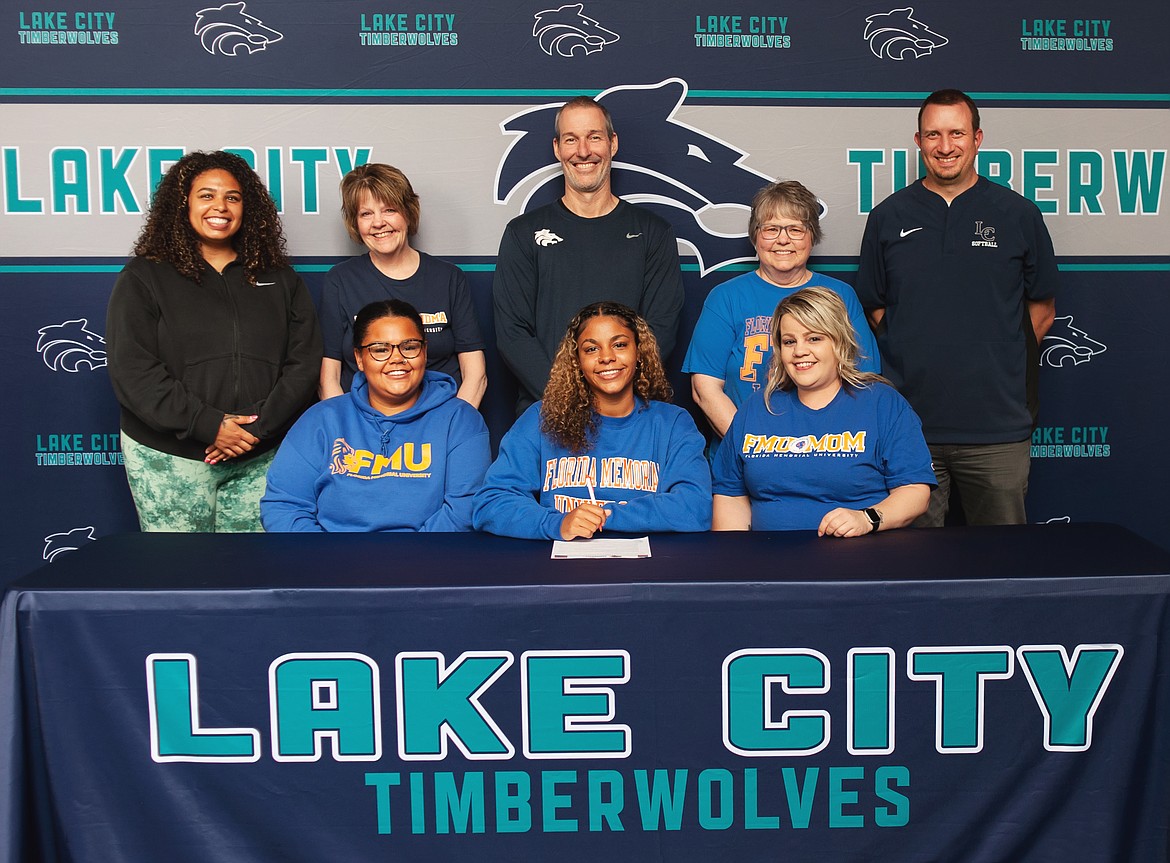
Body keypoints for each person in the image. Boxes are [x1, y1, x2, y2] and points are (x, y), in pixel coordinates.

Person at [854, 89, 1058, 527]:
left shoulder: (1018, 214)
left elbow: (1041, 311)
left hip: (998, 431)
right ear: (918, 140)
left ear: (978, 137)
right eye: (934, 135)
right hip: (910, 430)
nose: (945, 147)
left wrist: (993, 356)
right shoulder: (888, 216)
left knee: (1002, 567)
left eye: (956, 133)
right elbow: (875, 308)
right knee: (914, 570)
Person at [106, 150, 321, 532]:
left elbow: (303, 364)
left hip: (259, 454)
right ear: (182, 203)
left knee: (252, 579)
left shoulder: (281, 279)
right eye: (206, 195)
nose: (220, 206)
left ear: (246, 208)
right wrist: (208, 424)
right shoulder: (145, 276)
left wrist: (255, 428)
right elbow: (133, 369)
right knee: (180, 578)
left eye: (232, 197)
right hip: (171, 458)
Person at [493, 95, 685, 413]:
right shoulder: (524, 232)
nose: (583, 151)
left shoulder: (653, 232)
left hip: (628, 414)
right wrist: (569, 398)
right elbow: (513, 333)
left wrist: (612, 398)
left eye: (594, 137)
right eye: (572, 139)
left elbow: (659, 329)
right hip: (549, 411)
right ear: (557, 148)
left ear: (613, 143)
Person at [474, 301, 710, 540]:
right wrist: (558, 523)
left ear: (639, 352)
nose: (607, 357)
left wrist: (603, 517)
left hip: (647, 570)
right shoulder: (541, 419)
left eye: (619, 344)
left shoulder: (672, 424)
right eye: (591, 349)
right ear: (577, 361)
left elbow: (694, 508)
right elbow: (491, 503)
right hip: (560, 570)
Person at [712, 287, 934, 536]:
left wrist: (866, 518)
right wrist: (735, 565)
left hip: (861, 560)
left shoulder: (882, 403)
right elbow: (730, 495)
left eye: (814, 338)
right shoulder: (756, 407)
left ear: (838, 341)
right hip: (769, 565)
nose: (799, 351)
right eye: (789, 341)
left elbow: (915, 491)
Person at [262, 300, 490, 532]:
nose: (397, 358)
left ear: (424, 351)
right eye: (380, 349)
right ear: (359, 358)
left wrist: (413, 561)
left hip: (427, 561)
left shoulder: (461, 420)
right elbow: (284, 507)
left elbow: (464, 510)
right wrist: (329, 561)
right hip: (331, 561)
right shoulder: (321, 420)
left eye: (409, 347)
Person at [683, 179, 879, 442]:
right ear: (755, 236)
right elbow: (705, 389)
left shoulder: (841, 296)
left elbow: (863, 380)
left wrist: (823, 446)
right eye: (771, 229)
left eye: (795, 229)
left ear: (812, 236)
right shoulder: (726, 298)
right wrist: (753, 450)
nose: (783, 240)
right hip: (744, 451)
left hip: (824, 450)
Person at [318, 163, 486, 407]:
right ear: (355, 223)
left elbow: (475, 375)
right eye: (366, 214)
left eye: (389, 210)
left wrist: (453, 427)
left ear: (408, 212)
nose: (378, 223)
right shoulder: (340, 280)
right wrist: (351, 432)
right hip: (363, 426)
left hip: (440, 417)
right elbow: (328, 379)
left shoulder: (449, 278)